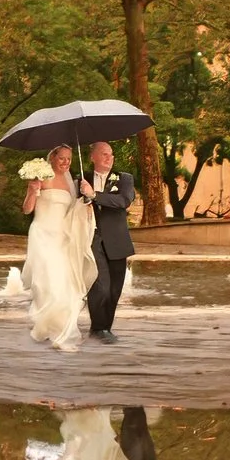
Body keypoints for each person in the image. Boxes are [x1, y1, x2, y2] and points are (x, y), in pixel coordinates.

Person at [22, 143, 96, 352]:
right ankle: (46, 322)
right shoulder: (40, 178)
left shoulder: (71, 182)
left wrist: (87, 198)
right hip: (43, 234)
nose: (66, 162)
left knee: (66, 283)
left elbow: (75, 211)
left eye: (69, 159)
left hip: (63, 237)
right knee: (46, 282)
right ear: (52, 158)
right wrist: (31, 190)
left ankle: (62, 326)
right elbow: (27, 210)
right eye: (62, 158)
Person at [83, 139, 136, 339]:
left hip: (117, 241)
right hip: (92, 239)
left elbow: (124, 201)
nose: (109, 158)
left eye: (111, 154)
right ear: (92, 157)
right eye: (104, 154)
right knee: (100, 285)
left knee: (114, 289)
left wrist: (94, 195)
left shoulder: (124, 179)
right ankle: (98, 328)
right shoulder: (82, 178)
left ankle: (105, 327)